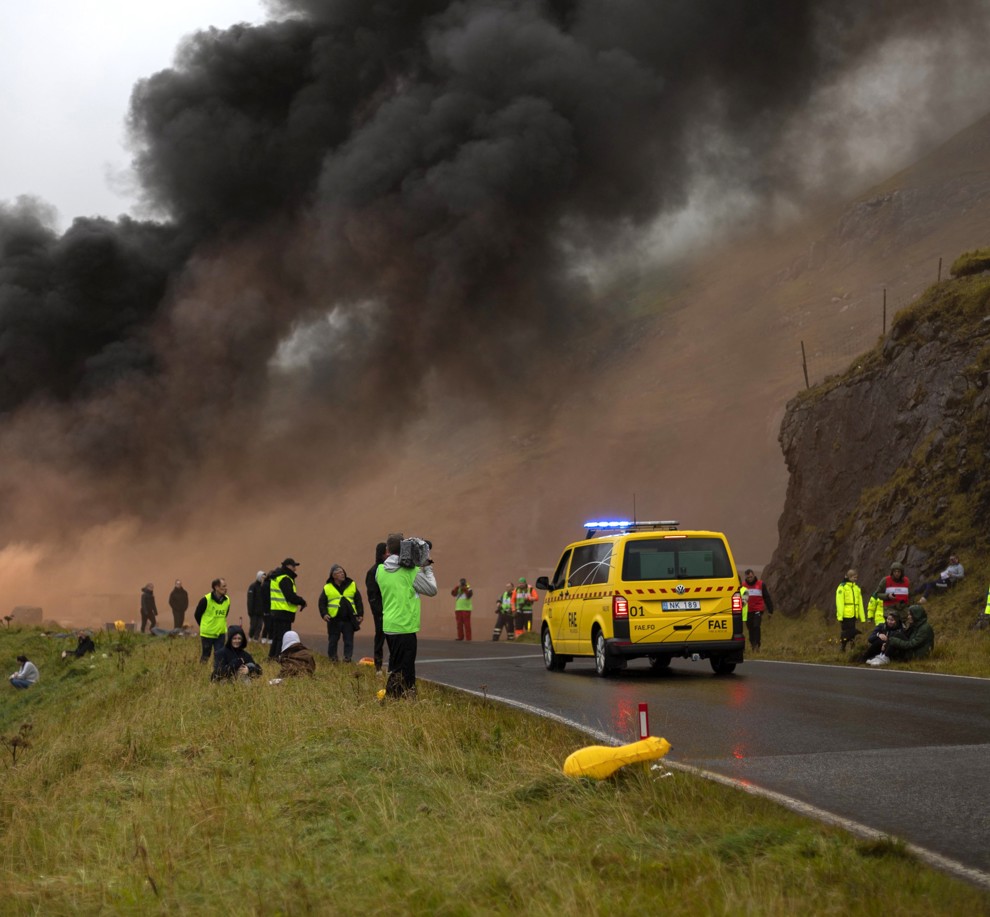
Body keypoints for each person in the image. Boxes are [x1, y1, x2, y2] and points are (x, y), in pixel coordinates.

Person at [377, 532, 437, 699]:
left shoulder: (380, 570)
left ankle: (408, 696)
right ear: (405, 549)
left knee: (403, 665)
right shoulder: (410, 572)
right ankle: (391, 698)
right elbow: (432, 590)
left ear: (387, 549)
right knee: (402, 667)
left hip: (390, 625)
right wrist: (426, 566)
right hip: (405, 626)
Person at [319, 564, 364, 663]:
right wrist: (324, 614)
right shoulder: (327, 587)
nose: (342, 573)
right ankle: (333, 659)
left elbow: (358, 600)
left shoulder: (352, 584)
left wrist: (360, 614)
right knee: (333, 641)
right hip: (333, 619)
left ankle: (347, 659)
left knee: (348, 641)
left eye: (343, 572)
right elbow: (322, 602)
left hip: (349, 619)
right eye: (339, 572)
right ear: (333, 576)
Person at [268, 559, 307, 660]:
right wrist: (302, 601)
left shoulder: (277, 577)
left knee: (277, 637)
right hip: (284, 612)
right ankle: (278, 657)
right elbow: (290, 597)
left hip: (277, 611)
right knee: (282, 637)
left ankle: (272, 657)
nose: (295, 569)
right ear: (288, 566)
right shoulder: (285, 578)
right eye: (294, 566)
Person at [195, 578, 231, 666]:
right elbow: (197, 614)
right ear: (216, 587)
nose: (226, 588)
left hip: (220, 633)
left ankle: (217, 673)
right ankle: (201, 672)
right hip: (207, 634)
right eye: (223, 586)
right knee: (206, 655)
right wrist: (204, 626)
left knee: (219, 656)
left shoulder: (227, 600)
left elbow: (225, 615)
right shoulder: (205, 600)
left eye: (226, 586)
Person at [365, 543, 387, 674]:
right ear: (382, 554)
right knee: (380, 637)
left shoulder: (390, 569)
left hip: (391, 609)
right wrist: (379, 612)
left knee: (393, 638)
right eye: (387, 552)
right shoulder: (373, 571)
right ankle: (378, 666)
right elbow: (372, 596)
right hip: (381, 612)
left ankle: (392, 667)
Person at [741, 568, 774, 651]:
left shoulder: (761, 585)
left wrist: (770, 610)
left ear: (754, 575)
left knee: (756, 626)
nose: (750, 579)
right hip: (748, 611)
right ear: (746, 577)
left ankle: (757, 645)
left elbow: (766, 597)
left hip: (758, 610)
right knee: (750, 628)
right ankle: (753, 643)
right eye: (748, 577)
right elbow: (742, 601)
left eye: (751, 577)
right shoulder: (743, 586)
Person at [835, 568, 865, 651]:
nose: (855, 579)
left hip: (853, 615)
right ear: (848, 577)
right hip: (846, 614)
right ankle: (843, 647)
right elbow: (840, 602)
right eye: (853, 577)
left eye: (856, 577)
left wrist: (862, 617)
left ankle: (852, 647)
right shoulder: (842, 587)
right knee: (848, 631)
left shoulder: (857, 589)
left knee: (851, 632)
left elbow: (860, 603)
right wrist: (840, 616)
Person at [246, 571, 268, 641]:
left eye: (264, 577)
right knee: (253, 626)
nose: (263, 579)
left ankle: (256, 639)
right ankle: (250, 638)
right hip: (254, 612)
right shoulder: (252, 586)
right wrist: (250, 611)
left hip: (261, 612)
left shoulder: (262, 587)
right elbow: (250, 599)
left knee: (259, 627)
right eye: (262, 577)